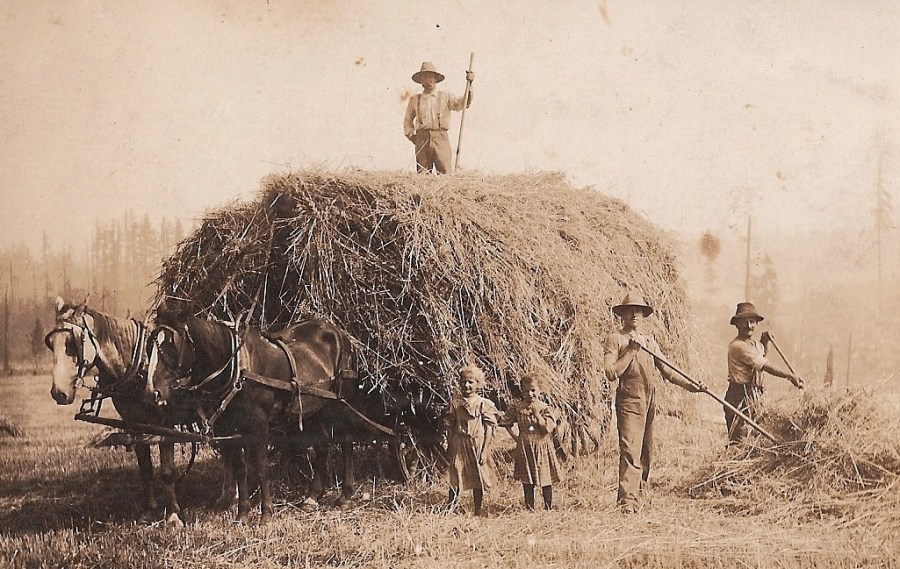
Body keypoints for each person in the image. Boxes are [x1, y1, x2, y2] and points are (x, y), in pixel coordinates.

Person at [603, 292, 703, 514]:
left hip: (649, 400)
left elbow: (667, 370)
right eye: (630, 310)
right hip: (629, 400)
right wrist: (631, 351)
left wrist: (692, 385)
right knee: (630, 449)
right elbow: (611, 373)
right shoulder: (615, 339)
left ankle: (640, 495)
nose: (635, 314)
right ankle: (627, 503)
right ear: (622, 314)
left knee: (647, 451)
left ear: (643, 314)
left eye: (639, 310)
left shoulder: (650, 342)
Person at [724, 302, 804, 443]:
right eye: (744, 322)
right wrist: (789, 376)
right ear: (737, 324)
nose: (749, 326)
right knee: (740, 443)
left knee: (756, 440)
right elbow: (764, 365)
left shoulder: (753, 344)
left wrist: (764, 341)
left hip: (755, 397)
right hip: (739, 397)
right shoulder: (738, 346)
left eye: (752, 321)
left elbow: (762, 354)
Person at [500, 372, 561, 511]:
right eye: (526, 391)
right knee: (527, 479)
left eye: (533, 390)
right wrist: (516, 437)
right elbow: (505, 422)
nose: (530, 394)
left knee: (545, 478)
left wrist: (537, 414)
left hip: (541, 445)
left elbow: (547, 429)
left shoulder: (544, 408)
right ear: (522, 391)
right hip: (525, 446)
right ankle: (529, 508)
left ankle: (548, 507)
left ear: (540, 390)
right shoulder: (517, 407)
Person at [445, 363, 499, 516]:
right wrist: (450, 445)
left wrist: (484, 450)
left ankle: (477, 509)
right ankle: (451, 508)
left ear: (478, 384)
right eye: (463, 381)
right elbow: (450, 425)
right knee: (456, 473)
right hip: (459, 441)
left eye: (471, 382)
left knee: (477, 476)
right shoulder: (455, 403)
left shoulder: (483, 404)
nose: (467, 385)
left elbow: (489, 428)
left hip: (477, 442)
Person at [403, 61, 474, 174]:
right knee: (423, 176)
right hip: (421, 139)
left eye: (432, 77)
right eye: (425, 77)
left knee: (445, 174)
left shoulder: (446, 96)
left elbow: (463, 103)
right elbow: (407, 121)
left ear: (436, 79)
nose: (429, 80)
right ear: (421, 80)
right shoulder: (415, 99)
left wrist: (470, 85)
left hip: (441, 138)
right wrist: (412, 136)